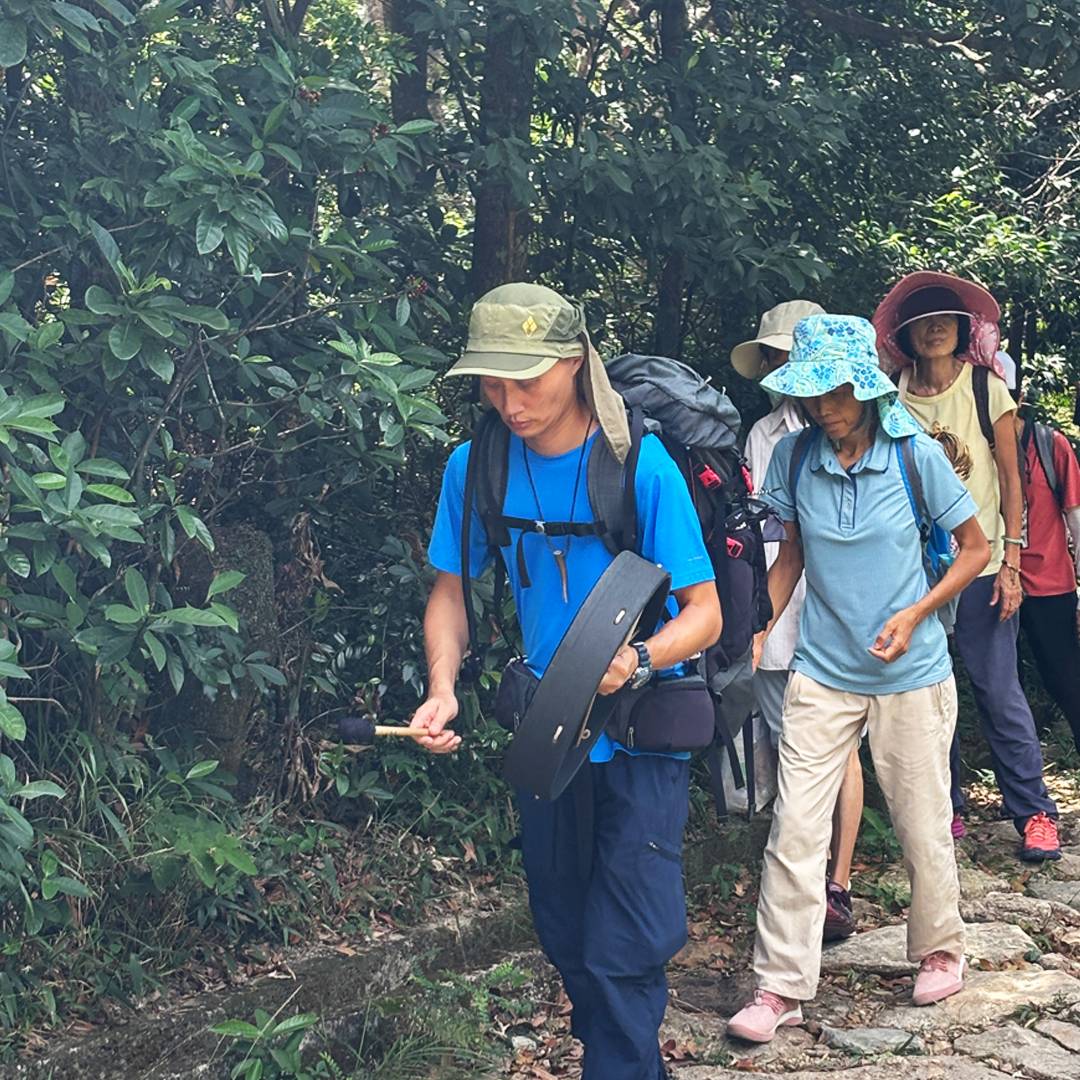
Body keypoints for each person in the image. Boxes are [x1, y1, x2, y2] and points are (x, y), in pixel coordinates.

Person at [412, 283, 723, 1080]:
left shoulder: (637, 462)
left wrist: (641, 659)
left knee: (625, 948)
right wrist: (442, 687)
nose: (508, 403)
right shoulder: (475, 464)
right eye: (490, 383)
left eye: (526, 381)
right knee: (566, 933)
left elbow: (705, 613)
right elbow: (450, 591)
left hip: (637, 736)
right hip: (548, 735)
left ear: (575, 362)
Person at [727, 314, 990, 1043]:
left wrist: (915, 615)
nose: (823, 406)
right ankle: (778, 986)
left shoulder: (915, 455)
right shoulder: (795, 457)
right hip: (822, 669)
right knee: (794, 828)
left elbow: (974, 549)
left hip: (911, 672)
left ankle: (940, 947)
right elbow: (792, 558)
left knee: (921, 821)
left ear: (866, 390)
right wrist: (759, 628)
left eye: (836, 392)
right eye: (812, 394)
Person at [874, 272, 1061, 860]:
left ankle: (1033, 811)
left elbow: (1011, 480)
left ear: (962, 330)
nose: (933, 331)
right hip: (915, 571)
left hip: (979, 564)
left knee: (997, 686)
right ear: (905, 335)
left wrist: (1013, 560)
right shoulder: (890, 397)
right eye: (921, 323)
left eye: (944, 322)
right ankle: (944, 808)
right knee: (926, 688)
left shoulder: (986, 388)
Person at [734, 300, 862, 942]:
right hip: (781, 601)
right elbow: (769, 528)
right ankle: (800, 876)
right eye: (780, 354)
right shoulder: (766, 435)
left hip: (841, 605)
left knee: (838, 745)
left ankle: (837, 880)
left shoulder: (866, 427)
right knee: (794, 744)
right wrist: (758, 615)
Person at [1012, 382, 1080, 751]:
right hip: (998, 580)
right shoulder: (975, 444)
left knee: (1064, 678)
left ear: (1019, 398)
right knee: (1004, 684)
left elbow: (1076, 518)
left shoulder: (1050, 445)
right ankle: (1023, 780)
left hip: (1051, 583)